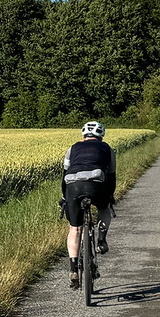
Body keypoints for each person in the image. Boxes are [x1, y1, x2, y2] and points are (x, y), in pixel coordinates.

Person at [61, 121, 116, 289]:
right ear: (101, 136)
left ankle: (73, 269)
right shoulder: (107, 149)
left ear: (83, 135)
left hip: (73, 186)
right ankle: (101, 239)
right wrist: (110, 196)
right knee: (104, 208)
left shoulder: (72, 149)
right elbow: (111, 176)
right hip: (96, 184)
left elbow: (64, 174)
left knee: (74, 229)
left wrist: (65, 197)